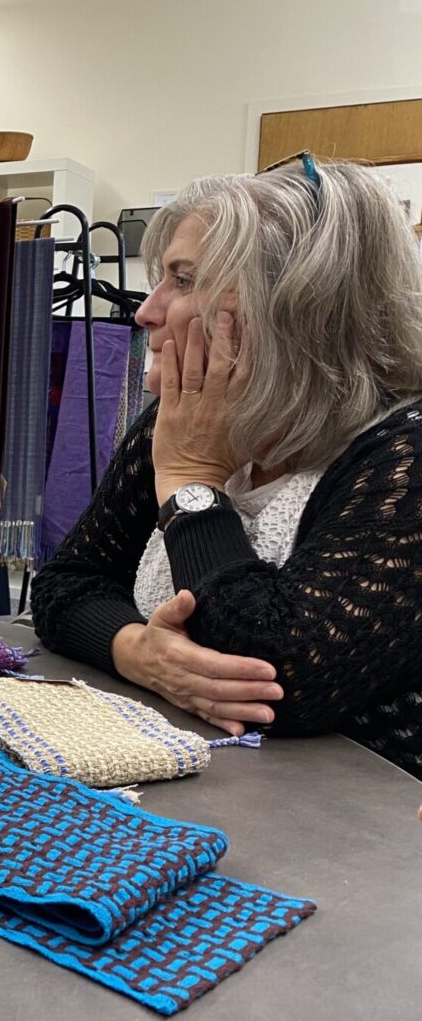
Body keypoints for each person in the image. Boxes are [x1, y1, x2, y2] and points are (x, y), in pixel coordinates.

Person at [31, 156, 422, 778]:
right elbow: (64, 583)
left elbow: (283, 677)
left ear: (298, 307)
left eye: (183, 281)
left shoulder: (403, 455)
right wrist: (140, 653)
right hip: (188, 786)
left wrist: (191, 482)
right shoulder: (180, 417)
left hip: (354, 839)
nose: (145, 311)